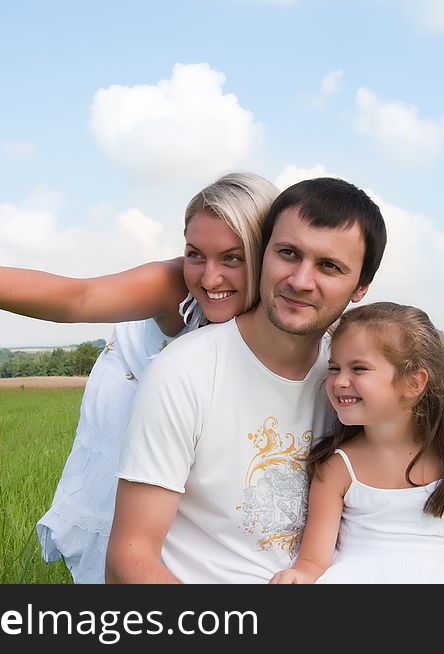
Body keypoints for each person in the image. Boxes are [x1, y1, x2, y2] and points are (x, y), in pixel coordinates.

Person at [0, 172, 280, 583]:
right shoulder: (176, 287)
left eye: (233, 258)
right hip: (131, 386)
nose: (209, 278)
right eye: (195, 254)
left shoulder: (290, 315)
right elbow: (78, 297)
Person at [106, 177, 388, 583]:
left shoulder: (355, 380)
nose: (300, 280)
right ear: (264, 252)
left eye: (329, 266)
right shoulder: (185, 373)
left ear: (360, 286)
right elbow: (129, 557)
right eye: (288, 253)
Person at [269, 302, 444, 584]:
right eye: (334, 368)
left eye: (359, 369)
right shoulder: (338, 466)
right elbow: (313, 559)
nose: (340, 381)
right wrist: (299, 575)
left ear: (413, 383)